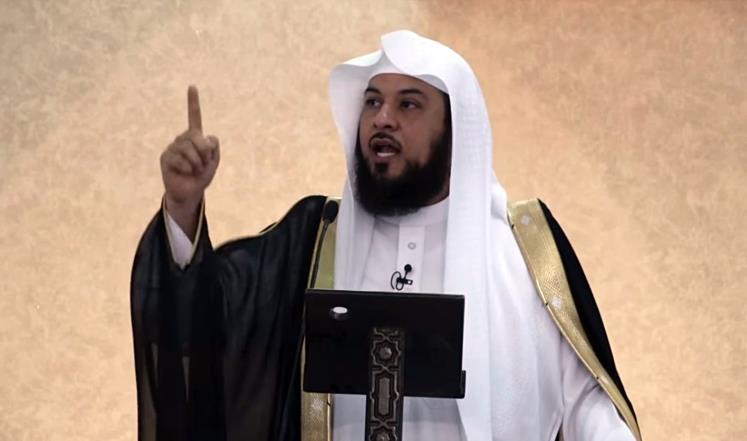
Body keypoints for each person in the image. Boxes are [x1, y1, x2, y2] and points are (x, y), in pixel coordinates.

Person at [131, 30, 641, 441]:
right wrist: (183, 207)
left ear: (455, 129)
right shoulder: (314, 240)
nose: (382, 119)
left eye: (409, 105)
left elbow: (585, 401)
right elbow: (199, 324)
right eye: (372, 102)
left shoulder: (522, 249)